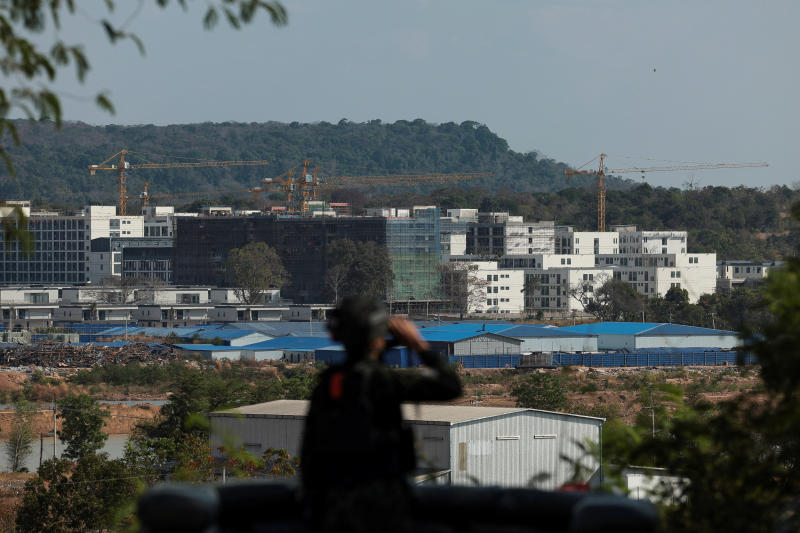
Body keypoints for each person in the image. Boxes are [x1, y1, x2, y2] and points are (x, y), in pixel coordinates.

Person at [301, 296, 461, 533]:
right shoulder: (386, 381)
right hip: (384, 504)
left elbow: (309, 452)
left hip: (333, 506)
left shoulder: (329, 383)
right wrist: (417, 344)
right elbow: (451, 386)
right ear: (376, 337)